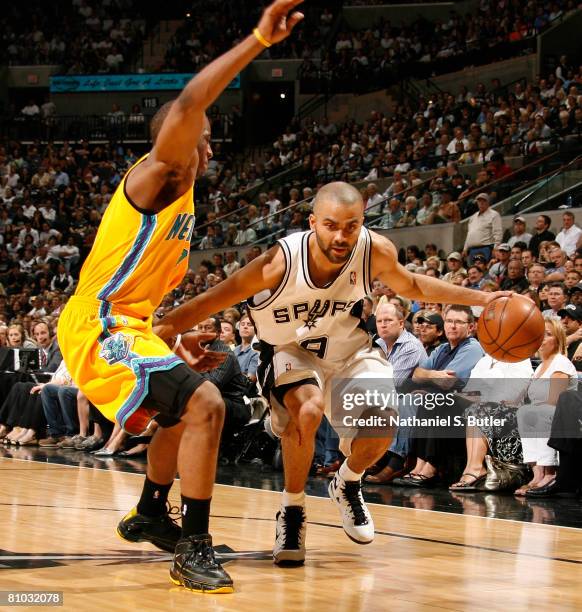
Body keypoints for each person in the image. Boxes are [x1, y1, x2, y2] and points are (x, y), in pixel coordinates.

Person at [56, 0, 305, 594]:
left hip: (128, 324)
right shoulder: (157, 175)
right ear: (180, 139)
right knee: (207, 406)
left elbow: (139, 297)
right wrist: (256, 41)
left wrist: (169, 336)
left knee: (187, 404)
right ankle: (192, 547)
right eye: (207, 141)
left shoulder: (184, 199)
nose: (211, 151)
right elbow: (191, 101)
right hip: (98, 325)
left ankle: (149, 512)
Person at [154, 181, 509, 566]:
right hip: (290, 351)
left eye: (351, 226)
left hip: (350, 350)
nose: (341, 236)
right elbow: (217, 295)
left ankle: (348, 481)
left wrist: (485, 297)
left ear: (361, 223)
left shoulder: (374, 249)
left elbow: (414, 284)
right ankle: (292, 511)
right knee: (307, 410)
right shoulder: (280, 261)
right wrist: (160, 331)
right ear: (312, 223)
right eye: (331, 225)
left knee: (383, 426)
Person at [515, 318, 578, 495]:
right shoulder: (541, 366)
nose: (542, 338)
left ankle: (549, 471)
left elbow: (556, 401)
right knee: (524, 412)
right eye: (539, 334)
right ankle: (537, 473)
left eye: (548, 334)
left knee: (539, 412)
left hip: (565, 417)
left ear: (558, 340)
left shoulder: (561, 362)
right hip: (543, 412)